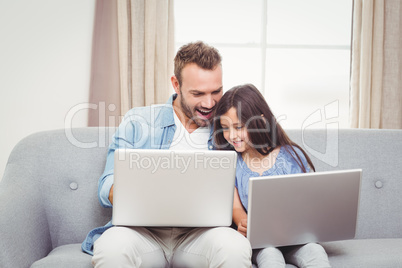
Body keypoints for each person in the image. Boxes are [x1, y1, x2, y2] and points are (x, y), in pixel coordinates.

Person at [81, 41, 252, 268]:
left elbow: (255, 171)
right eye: (198, 93)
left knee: (235, 248)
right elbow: (106, 185)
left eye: (216, 91)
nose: (209, 103)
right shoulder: (138, 121)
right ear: (176, 84)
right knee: (112, 248)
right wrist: (128, 191)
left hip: (201, 237)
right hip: (142, 234)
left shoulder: (231, 129)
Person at [213, 84, 331, 268]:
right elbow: (237, 210)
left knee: (315, 252)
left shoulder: (291, 156)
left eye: (238, 127)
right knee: (270, 255)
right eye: (225, 128)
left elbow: (309, 203)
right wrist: (244, 223)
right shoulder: (232, 163)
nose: (232, 135)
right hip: (259, 242)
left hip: (295, 239)